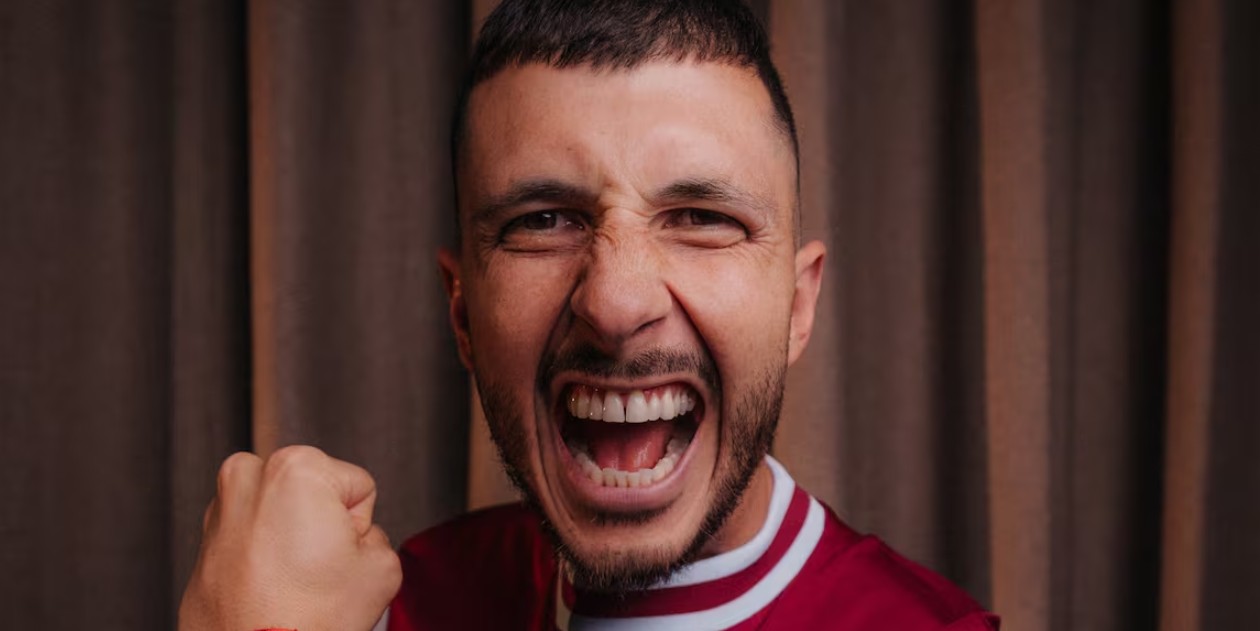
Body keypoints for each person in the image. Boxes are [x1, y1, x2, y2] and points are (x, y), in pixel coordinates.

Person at [179, 1, 1001, 629]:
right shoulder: (387, 604)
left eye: (701, 218)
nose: (616, 302)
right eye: (542, 221)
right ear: (461, 314)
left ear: (797, 304)